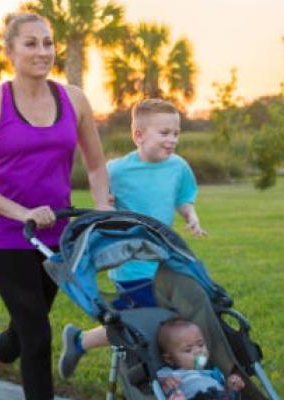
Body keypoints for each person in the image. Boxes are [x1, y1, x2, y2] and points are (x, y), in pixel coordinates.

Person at [0, 12, 111, 400]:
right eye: (31, 43)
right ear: (9, 52)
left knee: (24, 327)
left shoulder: (73, 99)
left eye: (47, 43)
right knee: (37, 335)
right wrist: (21, 212)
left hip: (57, 236)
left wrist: (103, 208)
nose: (42, 51)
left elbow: (95, 165)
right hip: (5, 236)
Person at [58, 98, 206, 378]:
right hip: (131, 267)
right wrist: (106, 202)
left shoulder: (178, 167)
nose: (172, 140)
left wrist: (191, 216)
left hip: (164, 261)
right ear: (139, 135)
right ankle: (146, 376)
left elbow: (184, 198)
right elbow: (101, 196)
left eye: (176, 133)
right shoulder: (117, 170)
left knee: (153, 323)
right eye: (164, 133)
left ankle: (79, 341)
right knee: (142, 327)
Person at [157, 318, 245, 400]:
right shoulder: (173, 373)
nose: (198, 351)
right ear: (170, 359)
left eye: (200, 345)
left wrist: (231, 385)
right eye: (188, 350)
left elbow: (222, 389)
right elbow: (156, 380)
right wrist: (165, 381)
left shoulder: (213, 372)